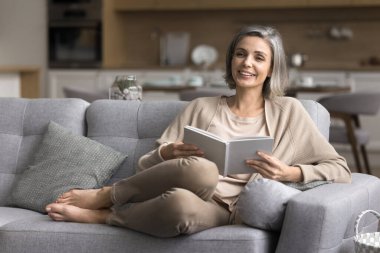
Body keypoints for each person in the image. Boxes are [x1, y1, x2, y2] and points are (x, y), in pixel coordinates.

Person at [45, 25, 351, 237]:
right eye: (240, 53)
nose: (247, 63)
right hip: (195, 184)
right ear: (231, 59)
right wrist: (167, 152)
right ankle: (106, 195)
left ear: (271, 69)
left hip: (229, 209)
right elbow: (145, 164)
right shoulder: (201, 106)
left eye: (259, 57)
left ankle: (104, 215)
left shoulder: (290, 112)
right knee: (202, 170)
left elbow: (340, 169)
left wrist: (291, 173)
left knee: (179, 205)